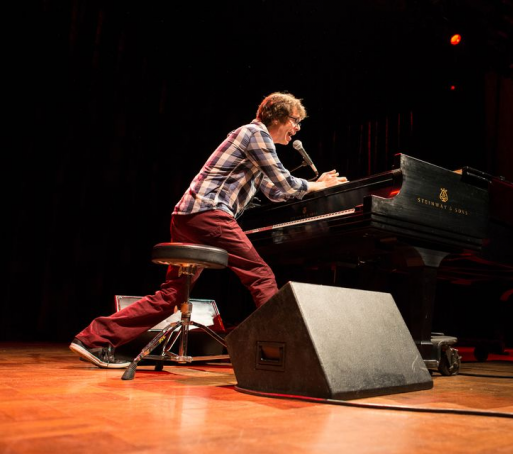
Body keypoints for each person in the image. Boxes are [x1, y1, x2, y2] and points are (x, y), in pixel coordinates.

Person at [70, 92, 348, 368]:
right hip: (209, 214)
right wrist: (319, 186)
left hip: (187, 217)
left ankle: (93, 339)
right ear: (276, 116)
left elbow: (276, 192)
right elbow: (287, 185)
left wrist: (313, 184)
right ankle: (287, 352)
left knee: (173, 295)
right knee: (260, 276)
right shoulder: (256, 134)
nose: (297, 128)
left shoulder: (254, 142)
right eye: (295, 120)